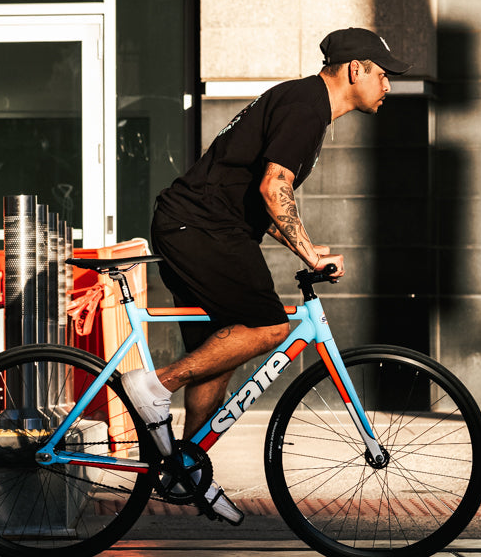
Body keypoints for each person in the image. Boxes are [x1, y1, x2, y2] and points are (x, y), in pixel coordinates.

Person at [119, 27, 411, 524]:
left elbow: (258, 197)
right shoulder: (308, 105)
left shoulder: (302, 102)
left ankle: (185, 468)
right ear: (355, 69)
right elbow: (275, 186)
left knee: (220, 350)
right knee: (272, 327)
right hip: (200, 227)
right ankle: (153, 385)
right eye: (383, 75)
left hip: (200, 224)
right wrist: (309, 256)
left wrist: (305, 248)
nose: (389, 86)